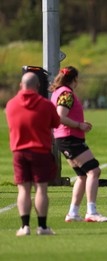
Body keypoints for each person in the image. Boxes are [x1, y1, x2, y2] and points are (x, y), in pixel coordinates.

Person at [50, 66, 107, 223]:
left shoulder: (58, 92)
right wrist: (79, 125)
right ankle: (91, 212)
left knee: (82, 175)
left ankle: (73, 213)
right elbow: (60, 116)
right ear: (75, 79)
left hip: (66, 138)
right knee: (94, 170)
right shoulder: (66, 93)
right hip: (69, 138)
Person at [6, 72, 60, 236]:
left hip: (19, 152)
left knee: (23, 190)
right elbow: (55, 123)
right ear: (38, 86)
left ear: (21, 85)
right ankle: (42, 227)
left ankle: (24, 227)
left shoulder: (11, 104)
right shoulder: (46, 104)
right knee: (41, 190)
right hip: (41, 151)